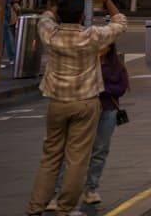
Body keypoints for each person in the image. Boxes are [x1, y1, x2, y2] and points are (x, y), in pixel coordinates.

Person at [26, 0, 127, 216]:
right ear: (82, 16)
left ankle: (35, 206)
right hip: (85, 102)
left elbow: (46, 17)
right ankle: (65, 208)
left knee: (50, 156)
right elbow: (120, 23)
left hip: (57, 102)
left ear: (61, 15)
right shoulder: (90, 36)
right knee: (77, 158)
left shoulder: (51, 34)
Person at [47, 42, 130, 209]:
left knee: (100, 149)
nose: (100, 49)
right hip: (84, 110)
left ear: (109, 48)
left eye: (104, 46)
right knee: (72, 151)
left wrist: (100, 88)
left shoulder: (116, 65)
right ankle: (59, 192)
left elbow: (121, 88)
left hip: (108, 111)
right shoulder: (83, 64)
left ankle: (91, 188)